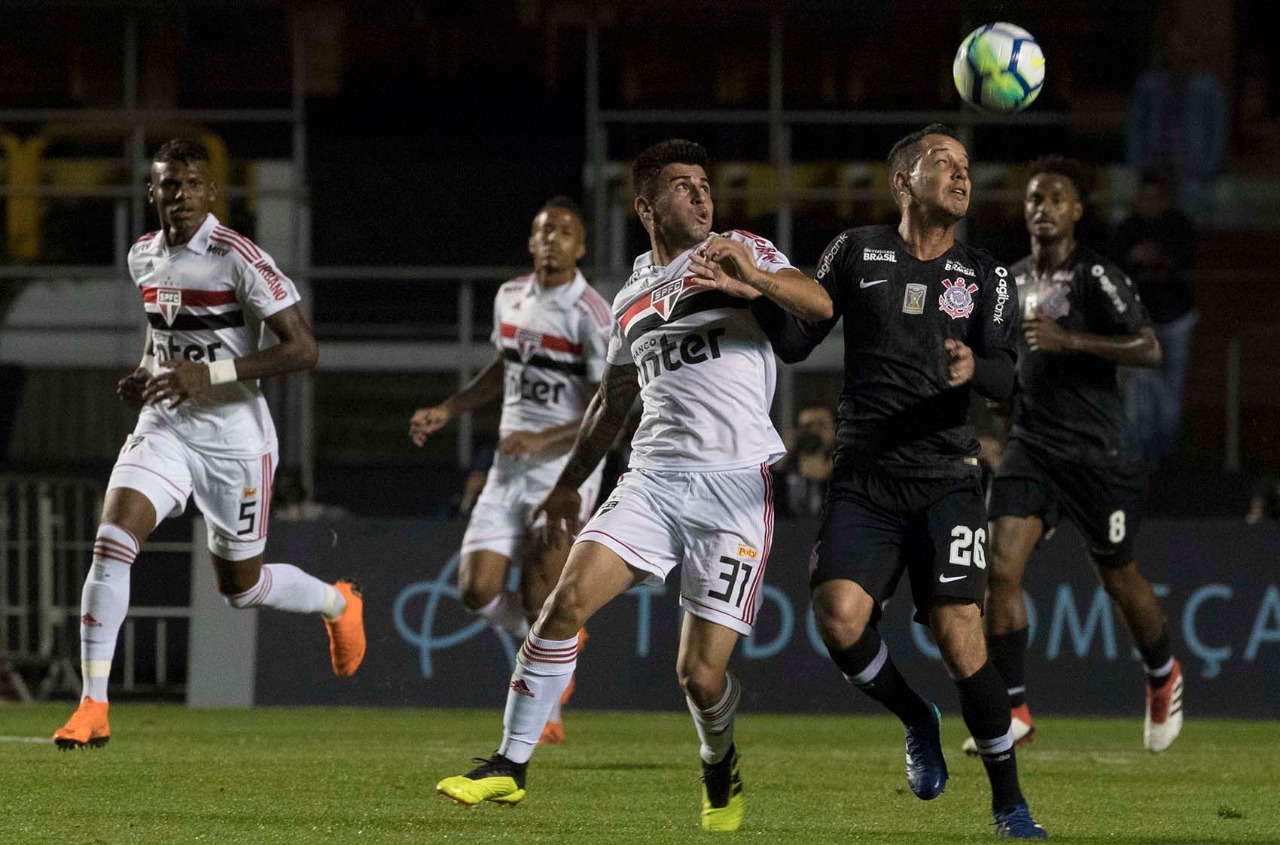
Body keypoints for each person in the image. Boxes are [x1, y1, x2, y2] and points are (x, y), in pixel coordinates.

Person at [435, 138, 831, 831]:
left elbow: (818, 303)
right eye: (684, 186)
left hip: (733, 489)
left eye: (705, 183)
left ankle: (718, 757)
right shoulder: (629, 297)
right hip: (650, 479)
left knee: (699, 677)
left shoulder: (741, 246)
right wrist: (569, 483)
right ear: (647, 207)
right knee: (561, 608)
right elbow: (613, 400)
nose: (703, 195)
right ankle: (509, 763)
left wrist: (755, 280)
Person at [755, 124, 1046, 839]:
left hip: (946, 476)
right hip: (865, 477)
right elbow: (795, 342)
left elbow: (1011, 373)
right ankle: (919, 716)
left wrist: (976, 369)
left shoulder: (989, 274)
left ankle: (1010, 802)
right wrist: (751, 284)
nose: (958, 174)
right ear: (901, 182)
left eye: (965, 166)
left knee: (959, 632)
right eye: (940, 163)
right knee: (839, 617)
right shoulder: (855, 251)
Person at [53, 138, 365, 749]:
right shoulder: (142, 255)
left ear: (211, 191)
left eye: (194, 184)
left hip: (235, 442)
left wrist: (211, 374)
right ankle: (93, 704)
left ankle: (337, 601)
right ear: (153, 192)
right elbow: (164, 339)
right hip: (165, 426)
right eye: (171, 184)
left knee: (240, 589)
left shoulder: (237, 256)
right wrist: (150, 373)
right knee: (112, 544)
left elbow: (304, 350)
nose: (183, 195)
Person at [970, 155, 1182, 758]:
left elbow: (1149, 348)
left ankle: (1162, 672)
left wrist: (1071, 341)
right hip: (1031, 449)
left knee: (1118, 577)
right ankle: (1013, 710)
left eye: (1056, 198)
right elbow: (1007, 366)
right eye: (1035, 198)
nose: (1043, 208)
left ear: (1077, 211)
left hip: (1098, 452)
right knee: (1000, 569)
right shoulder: (1010, 282)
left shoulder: (1098, 275)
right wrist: (1002, 426)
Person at [409, 196, 610, 745]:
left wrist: (546, 437)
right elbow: (505, 367)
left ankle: (547, 717)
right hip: (508, 464)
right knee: (475, 589)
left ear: (581, 247)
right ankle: (541, 640)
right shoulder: (509, 297)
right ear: (530, 240)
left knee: (543, 588)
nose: (553, 239)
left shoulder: (590, 312)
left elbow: (610, 405)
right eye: (544, 230)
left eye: (565, 232)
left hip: (563, 474)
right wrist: (449, 409)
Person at [1108, 171, 1198, 467]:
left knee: (1171, 389)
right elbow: (1113, 271)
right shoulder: (1126, 229)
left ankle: (1166, 451)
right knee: (1140, 388)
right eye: (1144, 197)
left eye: (1156, 198)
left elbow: (1187, 261)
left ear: (1166, 200)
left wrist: (1159, 257)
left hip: (1175, 319)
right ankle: (1144, 454)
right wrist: (1135, 257)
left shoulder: (1179, 226)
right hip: (1139, 322)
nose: (1150, 203)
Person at [1124, 25, 1229, 223]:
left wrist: (1208, 168)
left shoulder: (1209, 90)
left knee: (1189, 224)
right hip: (1153, 172)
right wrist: (1138, 164)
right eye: (1172, 47)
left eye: (1182, 47)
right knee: (1151, 223)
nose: (1176, 52)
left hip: (1193, 174)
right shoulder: (1148, 86)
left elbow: (1217, 132)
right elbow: (1135, 127)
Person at [773, 402, 836, 517]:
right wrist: (782, 459)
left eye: (822, 425)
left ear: (834, 430)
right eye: (808, 426)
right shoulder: (780, 479)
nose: (815, 431)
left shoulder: (848, 478)